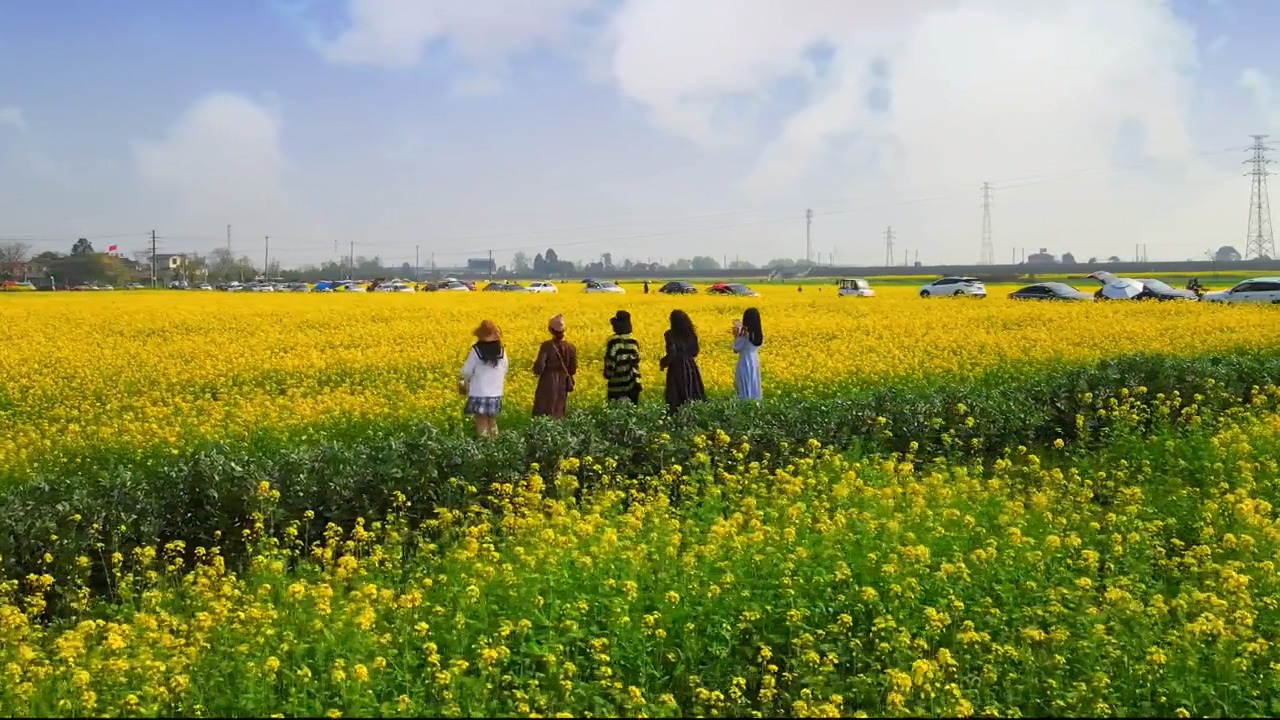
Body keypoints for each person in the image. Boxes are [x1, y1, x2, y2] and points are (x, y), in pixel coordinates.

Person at [459, 319, 508, 438]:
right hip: (496, 393)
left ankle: (484, 447)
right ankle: (495, 445)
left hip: (479, 393)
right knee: (492, 421)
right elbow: (505, 368)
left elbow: (466, 371)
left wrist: (463, 382)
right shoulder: (501, 351)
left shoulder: (476, 351)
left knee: (481, 421)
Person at [660, 309, 706, 413]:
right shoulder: (691, 334)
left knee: (675, 395)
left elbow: (672, 352)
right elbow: (695, 352)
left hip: (676, 367)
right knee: (692, 392)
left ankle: (676, 416)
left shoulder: (670, 334)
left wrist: (663, 363)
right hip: (690, 366)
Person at [532, 314, 578, 418]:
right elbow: (573, 369)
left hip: (547, 383)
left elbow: (539, 367)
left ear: (550, 330)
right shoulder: (571, 347)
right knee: (559, 411)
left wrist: (535, 370)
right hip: (562, 383)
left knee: (543, 412)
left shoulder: (546, 346)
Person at [603, 310, 642, 404]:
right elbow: (636, 360)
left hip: (616, 387)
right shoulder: (633, 340)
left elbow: (610, 364)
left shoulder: (613, 341)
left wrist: (607, 374)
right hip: (632, 386)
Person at [732, 307, 763, 401]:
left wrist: (736, 336)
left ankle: (745, 402)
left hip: (745, 360)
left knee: (744, 382)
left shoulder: (745, 334)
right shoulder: (759, 334)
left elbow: (736, 349)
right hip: (754, 360)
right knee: (753, 381)